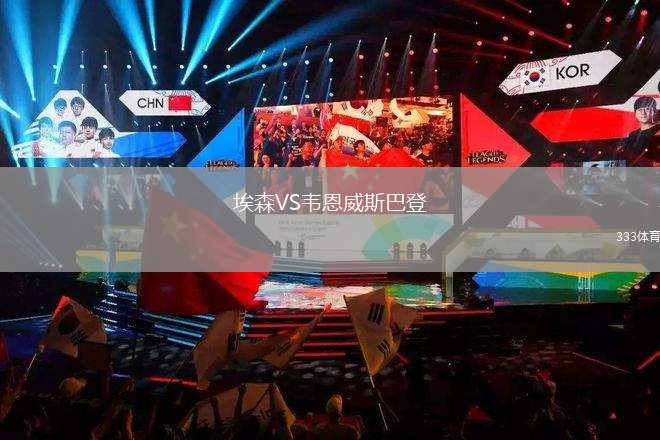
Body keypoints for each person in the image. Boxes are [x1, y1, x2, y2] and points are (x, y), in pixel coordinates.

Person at [621, 96, 659, 165]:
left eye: (647, 109)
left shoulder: (658, 131)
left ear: (654, 111)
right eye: (640, 110)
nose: (643, 113)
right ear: (635, 113)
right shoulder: (633, 134)